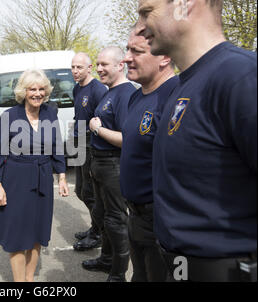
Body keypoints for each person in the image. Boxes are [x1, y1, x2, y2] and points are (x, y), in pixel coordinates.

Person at [137, 0, 257, 281]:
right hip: (180, 266)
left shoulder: (240, 76)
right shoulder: (184, 85)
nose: (141, 28)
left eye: (147, 12)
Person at [0, 69, 70, 282]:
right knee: (16, 233)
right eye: (32, 89)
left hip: (43, 176)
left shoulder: (50, 113)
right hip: (16, 178)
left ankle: (29, 279)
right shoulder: (9, 116)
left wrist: (61, 176)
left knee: (38, 230)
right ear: (23, 92)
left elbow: (57, 146)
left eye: (41, 89)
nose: (37, 93)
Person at [120, 28, 178, 282]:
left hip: (161, 221)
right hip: (135, 215)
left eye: (137, 51)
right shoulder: (135, 97)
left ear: (164, 56)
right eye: (127, 49)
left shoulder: (176, 97)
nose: (126, 58)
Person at [87, 47, 137, 282]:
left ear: (120, 65)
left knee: (116, 220)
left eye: (104, 64)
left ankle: (118, 274)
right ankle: (106, 260)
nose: (99, 69)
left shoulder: (125, 94)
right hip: (100, 164)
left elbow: (126, 139)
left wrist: (98, 129)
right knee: (103, 215)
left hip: (113, 165)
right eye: (97, 64)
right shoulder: (110, 92)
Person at [71, 52, 108, 251]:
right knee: (80, 191)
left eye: (79, 67)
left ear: (89, 68)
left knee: (90, 193)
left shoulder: (98, 89)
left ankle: (99, 234)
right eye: (73, 67)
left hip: (91, 144)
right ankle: (96, 227)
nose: (75, 71)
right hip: (77, 141)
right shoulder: (77, 89)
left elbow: (101, 121)